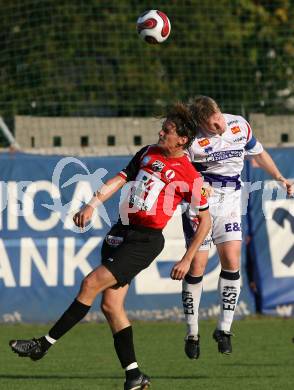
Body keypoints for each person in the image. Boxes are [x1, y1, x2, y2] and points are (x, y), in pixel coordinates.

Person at [9, 102, 211, 390]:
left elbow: (205, 221)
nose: (161, 132)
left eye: (167, 130)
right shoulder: (147, 153)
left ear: (182, 139)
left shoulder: (191, 176)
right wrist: (92, 204)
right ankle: (134, 376)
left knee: (90, 283)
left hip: (145, 241)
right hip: (121, 232)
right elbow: (121, 178)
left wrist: (188, 258)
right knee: (111, 306)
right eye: (163, 128)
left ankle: (43, 344)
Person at [181, 95, 294, 359]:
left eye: (219, 117)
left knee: (232, 260)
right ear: (200, 122)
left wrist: (279, 178)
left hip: (232, 198)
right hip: (201, 201)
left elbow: (258, 152)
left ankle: (224, 329)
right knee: (197, 266)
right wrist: (197, 183)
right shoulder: (192, 140)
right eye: (213, 123)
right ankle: (192, 331)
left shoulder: (238, 125)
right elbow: (180, 168)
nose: (219, 125)